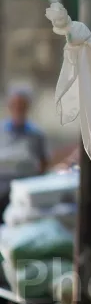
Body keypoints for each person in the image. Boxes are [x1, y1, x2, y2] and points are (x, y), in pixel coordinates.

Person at [0, 88, 48, 221]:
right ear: (9, 107)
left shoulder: (36, 134)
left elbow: (44, 163)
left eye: (22, 106)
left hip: (25, 187)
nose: (18, 109)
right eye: (15, 105)